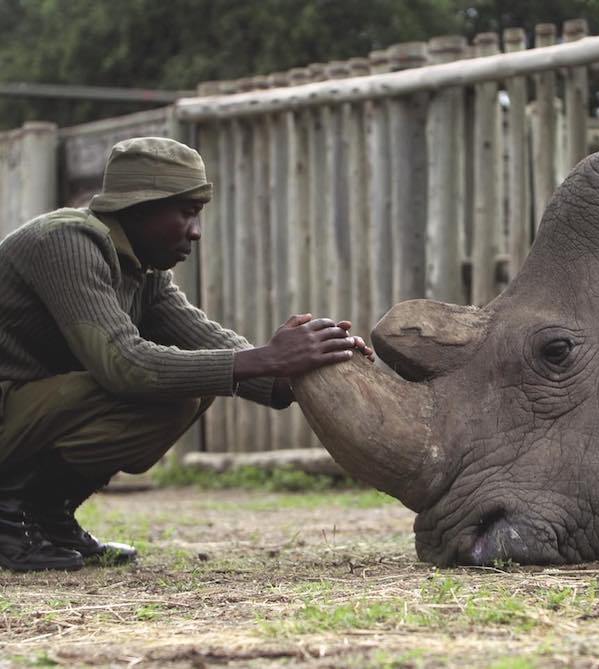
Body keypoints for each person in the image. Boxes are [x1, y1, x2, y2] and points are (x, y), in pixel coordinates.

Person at [0, 137, 372, 572]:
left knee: (190, 388)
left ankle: (47, 517)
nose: (196, 231)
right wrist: (269, 358)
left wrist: (309, 366)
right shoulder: (65, 242)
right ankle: (8, 515)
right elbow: (124, 365)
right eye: (186, 212)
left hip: (22, 413)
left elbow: (210, 343)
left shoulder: (142, 269)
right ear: (139, 206)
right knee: (160, 389)